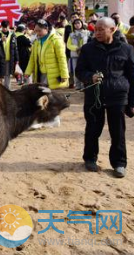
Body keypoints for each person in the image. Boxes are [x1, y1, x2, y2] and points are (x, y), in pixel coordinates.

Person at [75, 17, 134, 178]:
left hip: (118, 95)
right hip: (95, 95)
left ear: (113, 30)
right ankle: (90, 158)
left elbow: (132, 76)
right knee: (93, 128)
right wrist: (90, 77)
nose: (98, 32)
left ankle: (119, 163)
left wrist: (132, 101)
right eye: (96, 29)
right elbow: (79, 71)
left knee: (118, 131)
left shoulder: (126, 49)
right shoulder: (87, 49)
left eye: (102, 29)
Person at [24, 19, 69, 129]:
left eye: (39, 31)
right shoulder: (37, 42)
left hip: (52, 74)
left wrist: (64, 74)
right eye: (36, 31)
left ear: (46, 29)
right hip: (41, 74)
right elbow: (33, 59)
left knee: (50, 98)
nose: (37, 33)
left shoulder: (56, 40)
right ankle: (44, 119)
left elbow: (62, 58)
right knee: (42, 98)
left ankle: (53, 119)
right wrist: (27, 72)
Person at [0, 20, 19, 89]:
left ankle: (7, 89)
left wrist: (17, 59)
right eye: (3, 27)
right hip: (0, 59)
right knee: (0, 75)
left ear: (8, 26)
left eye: (6, 27)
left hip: (9, 58)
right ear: (1, 27)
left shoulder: (12, 35)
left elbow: (15, 47)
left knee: (7, 75)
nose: (5, 29)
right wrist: (0, 40)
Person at [67, 19, 89, 90]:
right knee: (75, 70)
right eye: (75, 24)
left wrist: (82, 48)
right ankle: (77, 85)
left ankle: (84, 85)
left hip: (84, 54)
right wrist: (76, 48)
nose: (77, 25)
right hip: (74, 55)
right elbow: (68, 45)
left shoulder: (87, 33)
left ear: (82, 24)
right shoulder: (71, 34)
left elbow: (88, 43)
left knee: (84, 70)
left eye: (78, 23)